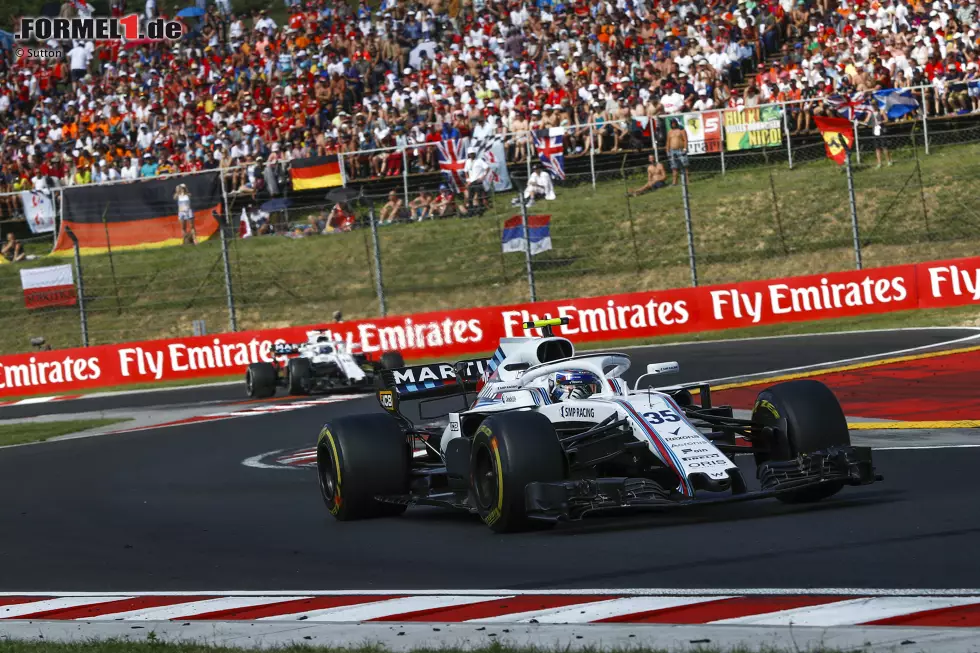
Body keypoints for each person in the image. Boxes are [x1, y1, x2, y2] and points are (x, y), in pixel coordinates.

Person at [666, 120, 689, 187]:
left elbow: (685, 140)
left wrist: (685, 149)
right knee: (674, 167)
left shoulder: (682, 131)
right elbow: (668, 142)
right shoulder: (669, 132)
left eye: (674, 123)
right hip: (672, 151)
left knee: (685, 165)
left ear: (676, 123)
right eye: (672, 123)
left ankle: (687, 181)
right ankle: (674, 182)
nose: (673, 124)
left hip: (680, 150)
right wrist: (667, 151)